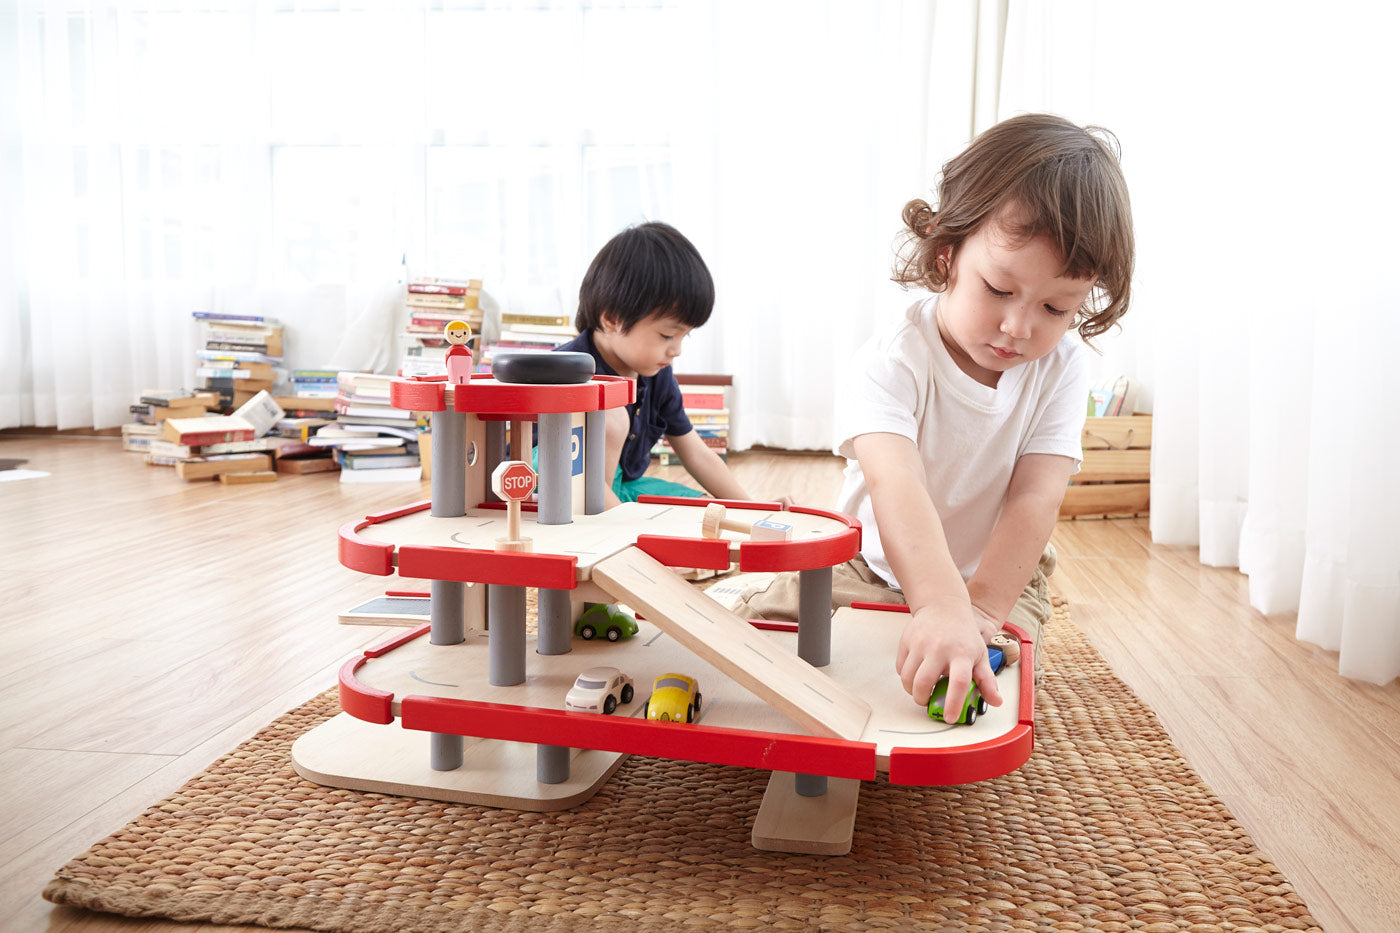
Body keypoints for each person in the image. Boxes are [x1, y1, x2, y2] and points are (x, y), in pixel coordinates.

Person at [736, 113, 1134, 722]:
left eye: (1056, 308)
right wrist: (935, 604)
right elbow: (898, 484)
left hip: (996, 573)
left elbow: (1035, 498)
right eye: (998, 290)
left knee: (987, 686)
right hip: (869, 560)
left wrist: (973, 612)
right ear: (947, 254)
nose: (1018, 328)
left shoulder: (1062, 367)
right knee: (757, 638)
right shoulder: (892, 359)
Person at [556, 221, 755, 508]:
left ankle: (623, 518)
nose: (676, 350)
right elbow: (554, 462)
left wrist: (753, 509)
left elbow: (696, 453)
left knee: (703, 508)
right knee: (611, 419)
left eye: (684, 336)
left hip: (622, 486)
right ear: (612, 319)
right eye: (667, 335)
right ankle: (618, 530)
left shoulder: (657, 375)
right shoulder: (566, 370)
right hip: (556, 478)